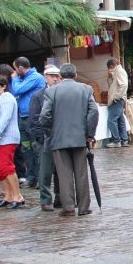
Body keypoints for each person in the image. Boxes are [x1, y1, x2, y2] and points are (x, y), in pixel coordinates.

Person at [40, 64, 99, 217]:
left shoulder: (51, 91)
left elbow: (44, 116)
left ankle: (69, 207)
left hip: (58, 138)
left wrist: (51, 132)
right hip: (80, 137)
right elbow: (93, 111)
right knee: (81, 173)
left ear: (60, 76)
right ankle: (84, 207)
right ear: (76, 75)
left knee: (64, 174)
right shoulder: (86, 89)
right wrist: (89, 134)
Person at [29, 66, 62, 211]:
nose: (55, 79)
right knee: (45, 171)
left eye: (57, 76)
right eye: (52, 76)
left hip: (60, 136)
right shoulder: (38, 95)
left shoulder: (62, 93)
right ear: (45, 77)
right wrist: (40, 137)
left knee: (61, 170)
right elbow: (34, 118)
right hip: (45, 137)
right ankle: (46, 199)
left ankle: (61, 197)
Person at [0, 75, 23, 208]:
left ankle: (17, 196)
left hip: (5, 139)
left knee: (7, 167)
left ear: (4, 86)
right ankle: (8, 195)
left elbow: (6, 118)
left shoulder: (7, 98)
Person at [11, 57, 45, 187]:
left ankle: (40, 178)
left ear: (20, 68)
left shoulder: (35, 77)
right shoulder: (22, 79)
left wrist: (14, 79)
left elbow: (17, 90)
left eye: (15, 69)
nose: (14, 72)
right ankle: (31, 177)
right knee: (26, 149)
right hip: (22, 118)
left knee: (36, 149)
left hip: (33, 119)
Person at [106, 58, 129, 148]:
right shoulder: (117, 72)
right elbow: (112, 85)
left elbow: (123, 85)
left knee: (111, 120)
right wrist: (110, 77)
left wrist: (117, 96)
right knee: (120, 120)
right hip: (119, 99)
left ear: (111, 66)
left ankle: (116, 140)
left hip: (117, 99)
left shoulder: (119, 71)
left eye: (109, 68)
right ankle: (124, 139)